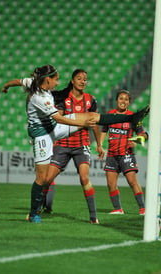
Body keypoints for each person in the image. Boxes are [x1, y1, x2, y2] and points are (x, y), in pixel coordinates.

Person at [0, 64, 149, 224]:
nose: (57, 83)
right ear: (47, 79)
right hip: (43, 135)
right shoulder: (40, 98)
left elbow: (18, 81)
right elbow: (59, 118)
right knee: (42, 178)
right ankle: (33, 213)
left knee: (91, 116)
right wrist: (79, 122)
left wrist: (6, 86)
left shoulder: (34, 82)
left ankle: (131, 117)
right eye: (55, 80)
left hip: (53, 128)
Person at [40, 69, 104, 223]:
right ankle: (40, 208)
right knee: (47, 179)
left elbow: (95, 123)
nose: (83, 81)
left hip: (81, 145)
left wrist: (100, 144)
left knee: (84, 178)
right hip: (63, 144)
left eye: (85, 79)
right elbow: (58, 120)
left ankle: (93, 217)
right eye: (79, 78)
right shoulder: (64, 99)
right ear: (73, 81)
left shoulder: (90, 100)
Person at [100, 90, 147, 215]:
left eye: (126, 99)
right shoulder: (110, 115)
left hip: (126, 154)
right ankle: (118, 209)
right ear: (116, 101)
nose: (123, 101)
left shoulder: (133, 117)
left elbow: (143, 134)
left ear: (129, 102)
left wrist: (135, 142)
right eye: (121, 99)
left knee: (132, 182)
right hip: (112, 154)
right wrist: (100, 145)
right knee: (111, 184)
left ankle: (143, 209)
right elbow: (104, 130)